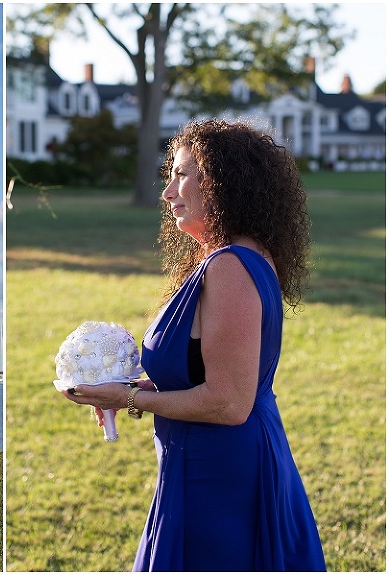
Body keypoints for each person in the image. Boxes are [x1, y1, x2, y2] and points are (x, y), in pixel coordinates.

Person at [62, 119, 327, 571]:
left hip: (221, 473)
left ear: (225, 181)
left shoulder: (231, 267)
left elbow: (228, 402)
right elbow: (205, 368)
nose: (168, 193)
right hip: (205, 457)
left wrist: (128, 397)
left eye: (182, 175)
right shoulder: (242, 255)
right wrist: (127, 385)